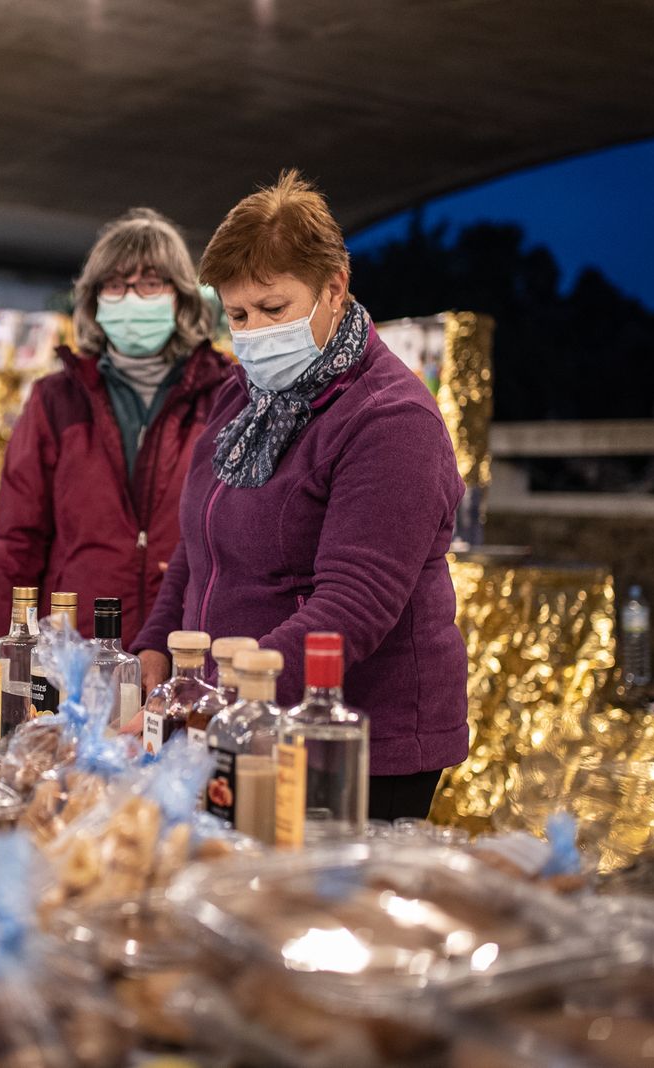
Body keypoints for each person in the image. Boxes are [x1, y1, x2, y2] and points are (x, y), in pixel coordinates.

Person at [130, 171, 469, 821]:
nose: (254, 332)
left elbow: (353, 606)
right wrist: (155, 650)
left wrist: (219, 703)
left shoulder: (391, 421)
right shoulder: (244, 398)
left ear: (334, 289)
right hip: (239, 723)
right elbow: (201, 549)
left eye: (274, 308)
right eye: (238, 315)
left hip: (354, 746)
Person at [0, 208, 231, 692]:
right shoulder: (56, 400)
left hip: (187, 655)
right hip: (72, 658)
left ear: (182, 297)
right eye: (115, 285)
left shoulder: (226, 395)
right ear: (93, 301)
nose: (131, 298)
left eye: (150, 284)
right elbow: (17, 546)